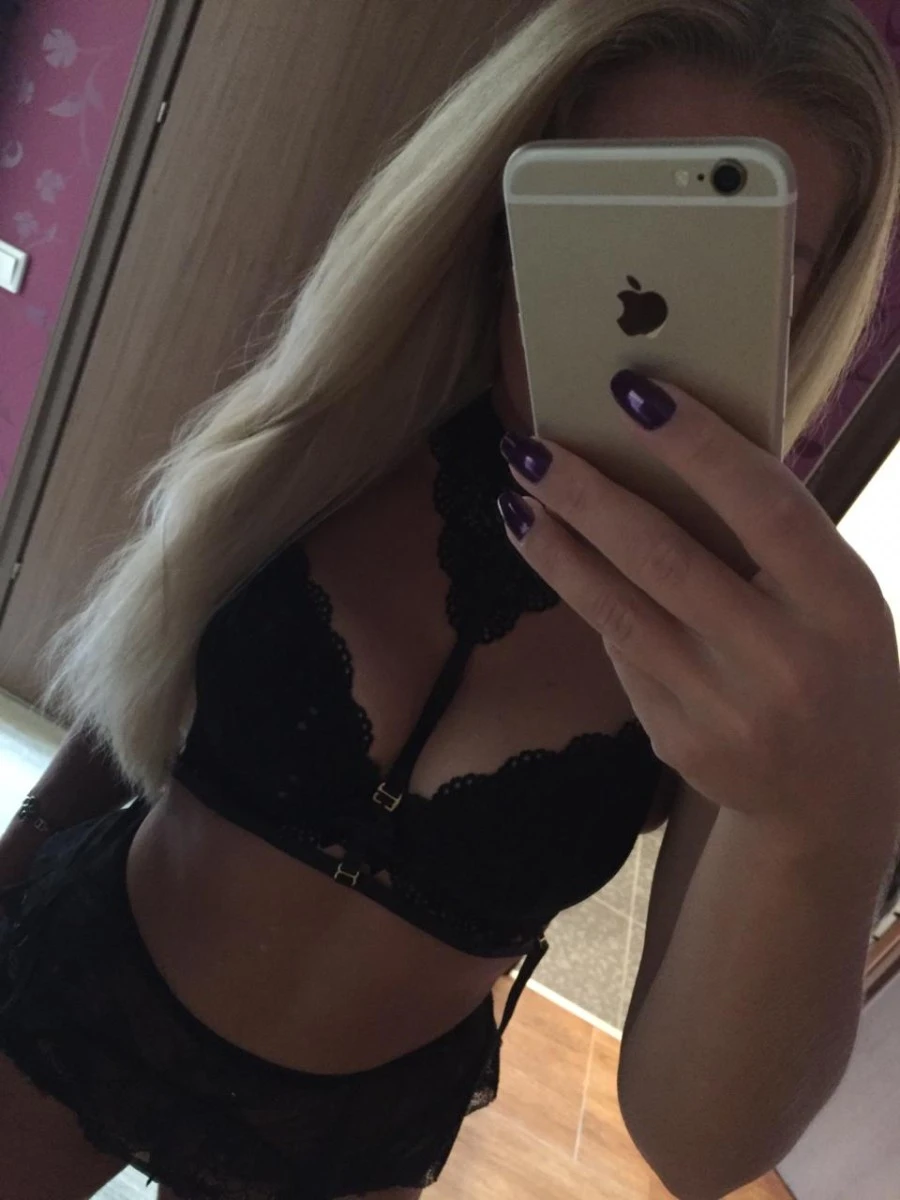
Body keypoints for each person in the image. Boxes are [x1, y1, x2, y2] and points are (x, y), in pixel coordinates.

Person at [1, 1, 899, 1198]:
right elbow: (143, 683)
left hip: (345, 1142)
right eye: (597, 212)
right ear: (501, 210)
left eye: (739, 261)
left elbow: (700, 1150)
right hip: (86, 983)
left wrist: (824, 818)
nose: (639, 295)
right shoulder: (350, 420)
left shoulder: (749, 646)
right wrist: (16, 856)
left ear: (804, 305)